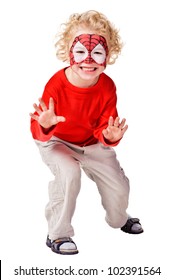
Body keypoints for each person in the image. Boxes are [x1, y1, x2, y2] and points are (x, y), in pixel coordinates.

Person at [30, 10, 143, 255]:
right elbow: (39, 131)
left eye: (97, 52)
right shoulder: (56, 84)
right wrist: (47, 123)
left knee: (119, 187)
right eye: (80, 51)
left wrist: (110, 136)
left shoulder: (107, 86)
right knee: (69, 175)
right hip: (57, 141)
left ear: (108, 55)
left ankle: (119, 219)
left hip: (91, 141)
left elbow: (105, 124)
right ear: (68, 52)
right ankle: (57, 235)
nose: (88, 60)